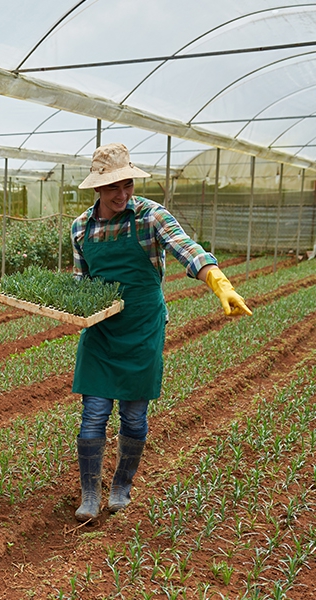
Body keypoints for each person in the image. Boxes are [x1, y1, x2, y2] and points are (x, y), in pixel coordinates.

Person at [70, 143, 251, 522]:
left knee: (133, 417)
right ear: (97, 189)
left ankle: (121, 486)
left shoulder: (151, 216)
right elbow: (81, 279)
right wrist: (72, 306)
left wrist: (218, 280)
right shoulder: (81, 227)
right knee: (94, 414)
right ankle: (89, 493)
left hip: (142, 327)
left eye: (128, 185)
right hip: (102, 333)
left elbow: (185, 248)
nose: (122, 194)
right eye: (112, 188)